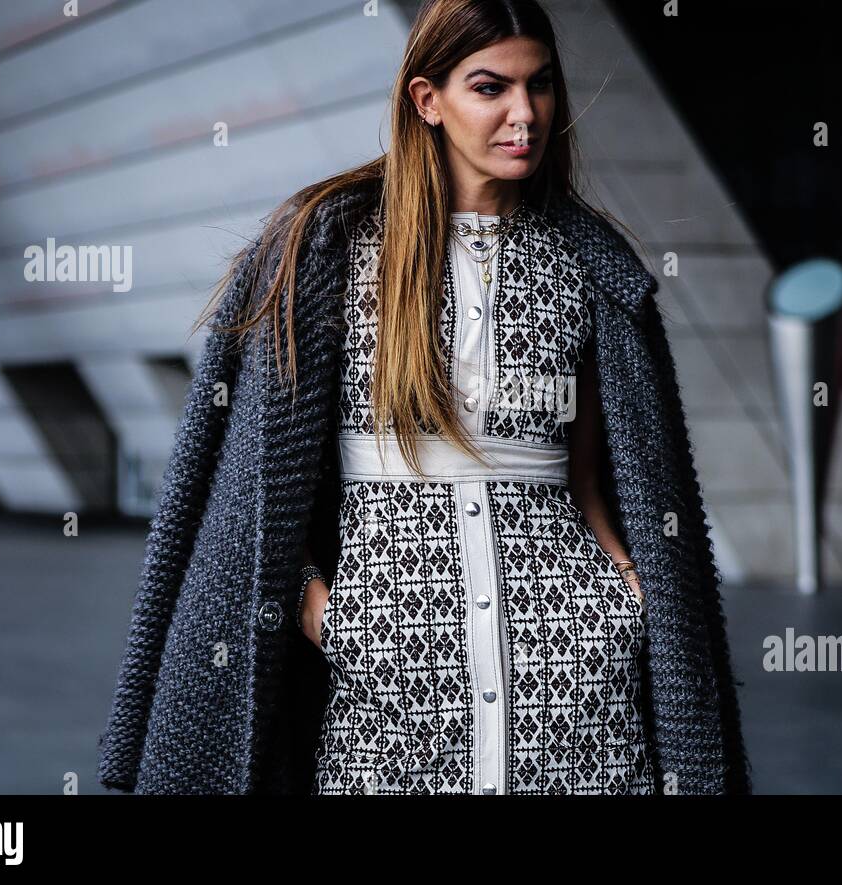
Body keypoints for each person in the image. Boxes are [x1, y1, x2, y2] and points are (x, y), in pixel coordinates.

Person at [98, 0, 751, 796]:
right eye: (491, 87)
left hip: (578, 688)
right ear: (427, 100)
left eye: (540, 84)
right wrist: (320, 609)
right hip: (390, 685)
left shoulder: (591, 264)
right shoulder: (325, 247)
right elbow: (254, 483)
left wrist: (625, 591)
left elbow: (596, 481)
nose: (525, 113)